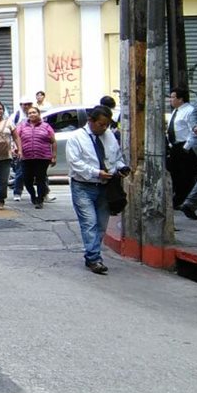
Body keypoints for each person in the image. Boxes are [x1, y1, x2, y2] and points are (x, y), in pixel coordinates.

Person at [66, 104, 129, 275]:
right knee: (89, 223)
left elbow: (116, 157)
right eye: (101, 124)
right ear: (91, 121)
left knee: (101, 224)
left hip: (105, 187)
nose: (104, 128)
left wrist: (121, 167)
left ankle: (91, 254)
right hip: (83, 186)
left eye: (106, 125)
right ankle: (94, 258)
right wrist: (96, 172)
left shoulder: (108, 136)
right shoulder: (76, 138)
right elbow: (75, 163)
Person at [16, 105, 56, 208]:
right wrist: (17, 149)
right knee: (27, 179)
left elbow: (53, 141)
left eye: (34, 112)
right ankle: (33, 195)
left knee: (40, 179)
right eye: (30, 113)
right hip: (26, 157)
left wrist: (54, 156)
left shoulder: (46, 126)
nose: (32, 114)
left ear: (39, 114)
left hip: (42, 157)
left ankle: (40, 200)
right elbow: (17, 138)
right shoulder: (22, 126)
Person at [166, 87, 195, 211]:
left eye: (173, 97)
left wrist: (186, 147)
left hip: (184, 147)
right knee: (175, 174)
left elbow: (193, 130)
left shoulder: (189, 111)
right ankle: (178, 198)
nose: (170, 100)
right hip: (175, 146)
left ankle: (183, 200)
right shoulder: (176, 111)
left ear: (180, 99)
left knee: (185, 175)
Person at [8, 96, 35, 200]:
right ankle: (17, 192)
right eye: (25, 104)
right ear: (21, 105)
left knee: (41, 173)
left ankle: (45, 193)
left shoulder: (35, 114)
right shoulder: (16, 116)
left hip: (35, 148)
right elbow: (11, 132)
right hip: (21, 148)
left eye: (29, 104)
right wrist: (13, 146)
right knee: (20, 171)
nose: (27, 106)